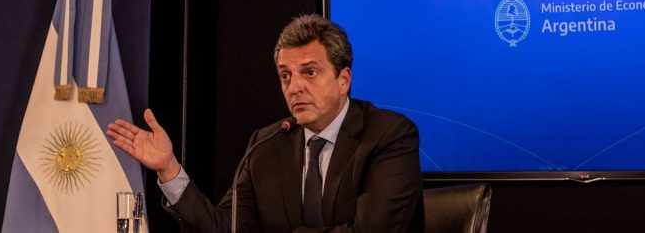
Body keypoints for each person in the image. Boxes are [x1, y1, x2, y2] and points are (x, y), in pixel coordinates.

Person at [107, 14, 423, 232]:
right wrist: (169, 170)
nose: (294, 87)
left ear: (344, 80)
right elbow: (226, 228)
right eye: (286, 75)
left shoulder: (389, 135)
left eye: (310, 72)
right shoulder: (267, 144)